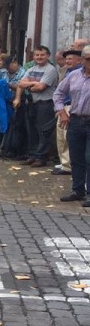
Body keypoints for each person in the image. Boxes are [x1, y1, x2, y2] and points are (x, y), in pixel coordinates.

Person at [54, 46, 90, 206]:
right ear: (82, 60)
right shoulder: (74, 76)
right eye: (88, 59)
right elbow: (58, 93)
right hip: (75, 120)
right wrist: (61, 112)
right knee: (76, 158)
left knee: (89, 158)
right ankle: (78, 190)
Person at [17, 45, 60, 166]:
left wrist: (30, 85)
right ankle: (32, 155)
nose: (39, 57)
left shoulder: (50, 69)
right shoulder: (31, 69)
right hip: (32, 104)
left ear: (48, 56)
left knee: (43, 131)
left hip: (45, 104)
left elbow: (41, 87)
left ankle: (41, 157)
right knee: (32, 130)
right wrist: (34, 83)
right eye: (37, 55)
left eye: (42, 55)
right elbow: (20, 83)